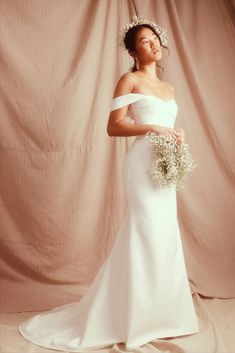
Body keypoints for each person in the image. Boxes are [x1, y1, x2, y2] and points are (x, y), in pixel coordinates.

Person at [18, 15, 200, 352]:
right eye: (144, 41)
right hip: (142, 166)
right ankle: (134, 317)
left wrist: (177, 133)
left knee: (165, 234)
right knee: (144, 232)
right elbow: (113, 127)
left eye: (154, 38)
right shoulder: (128, 80)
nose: (153, 44)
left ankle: (167, 315)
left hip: (165, 165)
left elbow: (166, 122)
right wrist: (153, 130)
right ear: (133, 51)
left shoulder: (168, 86)